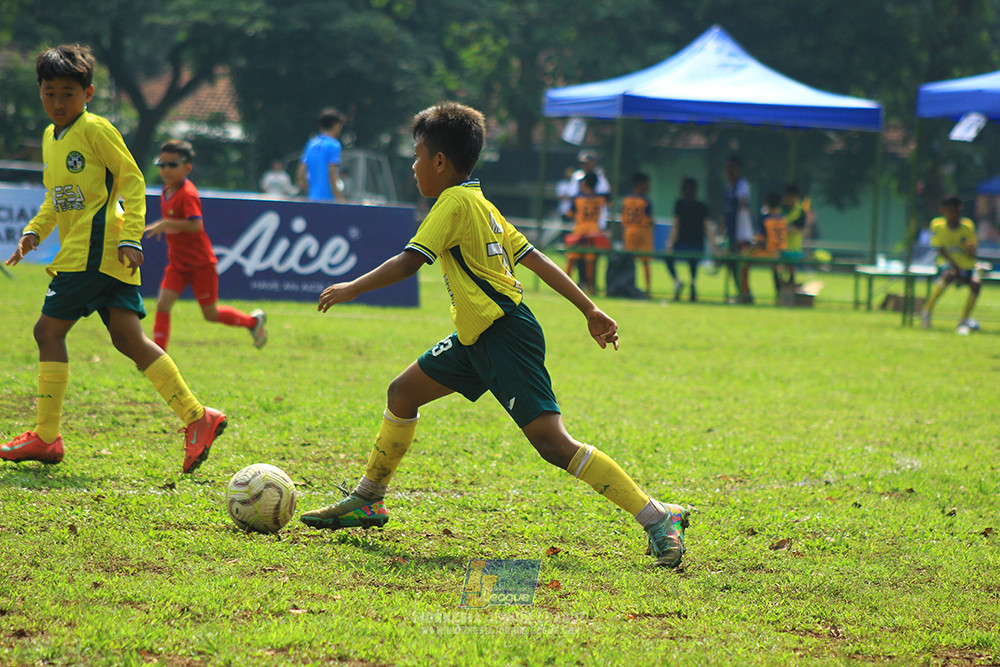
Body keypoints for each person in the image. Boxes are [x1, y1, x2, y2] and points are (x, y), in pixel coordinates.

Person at [300, 101, 690, 569]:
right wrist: (588, 307)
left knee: (553, 444)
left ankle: (657, 516)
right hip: (477, 335)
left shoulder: (453, 203)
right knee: (402, 393)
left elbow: (410, 260)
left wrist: (351, 287)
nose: (414, 164)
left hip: (504, 334)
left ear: (440, 161)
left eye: (418, 154)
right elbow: (535, 258)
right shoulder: (479, 202)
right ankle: (369, 498)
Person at [1, 44, 226, 473]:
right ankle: (199, 417)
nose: (58, 102)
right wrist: (33, 232)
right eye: (50, 93)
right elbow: (57, 198)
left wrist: (134, 238)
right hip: (98, 251)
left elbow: (133, 179)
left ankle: (46, 438)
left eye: (68, 93)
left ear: (87, 94)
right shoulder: (51, 139)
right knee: (127, 338)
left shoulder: (95, 129)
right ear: (40, 92)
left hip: (97, 246)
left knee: (47, 332)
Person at [143, 139, 268, 352]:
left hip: (200, 264)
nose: (166, 170)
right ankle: (158, 356)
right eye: (161, 165)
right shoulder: (166, 191)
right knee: (163, 304)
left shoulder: (187, 194)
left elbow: (195, 225)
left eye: (172, 165)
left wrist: (165, 224)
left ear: (187, 167)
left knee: (210, 314)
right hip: (178, 263)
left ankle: (253, 323)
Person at [920, 195, 981, 333]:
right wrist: (955, 266)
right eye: (951, 211)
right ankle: (926, 311)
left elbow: (973, 253)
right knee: (948, 275)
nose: (954, 215)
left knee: (976, 284)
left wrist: (971, 250)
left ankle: (964, 320)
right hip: (947, 264)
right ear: (943, 211)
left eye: (957, 211)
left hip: (966, 265)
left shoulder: (968, 226)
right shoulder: (937, 225)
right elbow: (940, 249)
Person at [666, 177, 717, 302]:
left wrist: (714, 247)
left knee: (693, 260)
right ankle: (678, 282)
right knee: (667, 257)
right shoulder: (679, 204)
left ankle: (693, 283)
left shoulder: (701, 207)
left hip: (696, 244)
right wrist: (670, 244)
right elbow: (676, 225)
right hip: (681, 243)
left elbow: (707, 227)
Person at [564, 172, 609, 294]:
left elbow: (569, 213)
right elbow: (608, 199)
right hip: (594, 229)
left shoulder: (578, 198)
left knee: (571, 259)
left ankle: (563, 287)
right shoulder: (600, 198)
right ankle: (591, 288)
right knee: (590, 260)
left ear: (585, 183)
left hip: (580, 229)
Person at [721, 155, 754, 303]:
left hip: (742, 233)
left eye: (732, 168)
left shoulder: (742, 185)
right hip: (731, 232)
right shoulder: (728, 188)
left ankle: (746, 293)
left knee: (742, 264)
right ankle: (739, 291)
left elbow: (743, 204)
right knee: (731, 262)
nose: (729, 171)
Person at [296, 108, 346, 202]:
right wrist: (341, 200)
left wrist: (312, 188)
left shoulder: (311, 144)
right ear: (336, 125)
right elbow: (332, 175)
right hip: (329, 201)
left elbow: (300, 174)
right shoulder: (334, 145)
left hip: (312, 199)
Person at [620, 172, 655, 296]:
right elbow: (650, 219)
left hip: (629, 230)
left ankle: (628, 286)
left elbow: (623, 217)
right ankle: (647, 289)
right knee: (645, 262)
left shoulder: (626, 199)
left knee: (629, 261)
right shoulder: (645, 201)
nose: (648, 187)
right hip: (642, 230)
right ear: (641, 184)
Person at [781, 184, 815, 286]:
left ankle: (791, 286)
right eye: (788, 196)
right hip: (781, 244)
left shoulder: (800, 211)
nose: (789, 199)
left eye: (792, 197)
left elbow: (800, 227)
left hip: (794, 245)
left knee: (791, 267)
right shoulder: (781, 209)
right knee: (781, 268)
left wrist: (788, 229)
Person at [758, 192, 788, 295]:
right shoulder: (782, 218)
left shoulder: (765, 218)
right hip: (781, 251)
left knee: (743, 261)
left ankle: (745, 292)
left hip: (769, 251)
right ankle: (780, 293)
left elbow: (761, 238)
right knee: (777, 270)